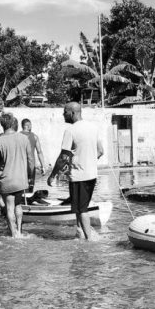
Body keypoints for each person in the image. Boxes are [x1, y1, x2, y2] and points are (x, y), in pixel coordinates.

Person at [47, 102, 103, 241]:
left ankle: (89, 240)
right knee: (79, 208)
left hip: (79, 177)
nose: (63, 115)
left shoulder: (70, 131)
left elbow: (63, 157)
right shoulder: (93, 128)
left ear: (72, 113)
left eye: (64, 112)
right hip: (92, 175)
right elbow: (101, 151)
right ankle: (80, 235)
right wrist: (88, 160)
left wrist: (53, 175)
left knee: (82, 210)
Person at [0, 113, 34, 238]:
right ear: (13, 123)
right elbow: (30, 160)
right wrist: (30, 176)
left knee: (9, 207)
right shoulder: (24, 138)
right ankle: (19, 231)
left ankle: (13, 234)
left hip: (6, 180)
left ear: (2, 124)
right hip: (21, 179)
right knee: (18, 205)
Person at [20, 118, 48, 192]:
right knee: (30, 186)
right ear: (28, 126)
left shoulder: (17, 136)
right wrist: (43, 166)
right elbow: (39, 152)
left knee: (20, 188)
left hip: (19, 166)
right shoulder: (35, 137)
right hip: (31, 166)